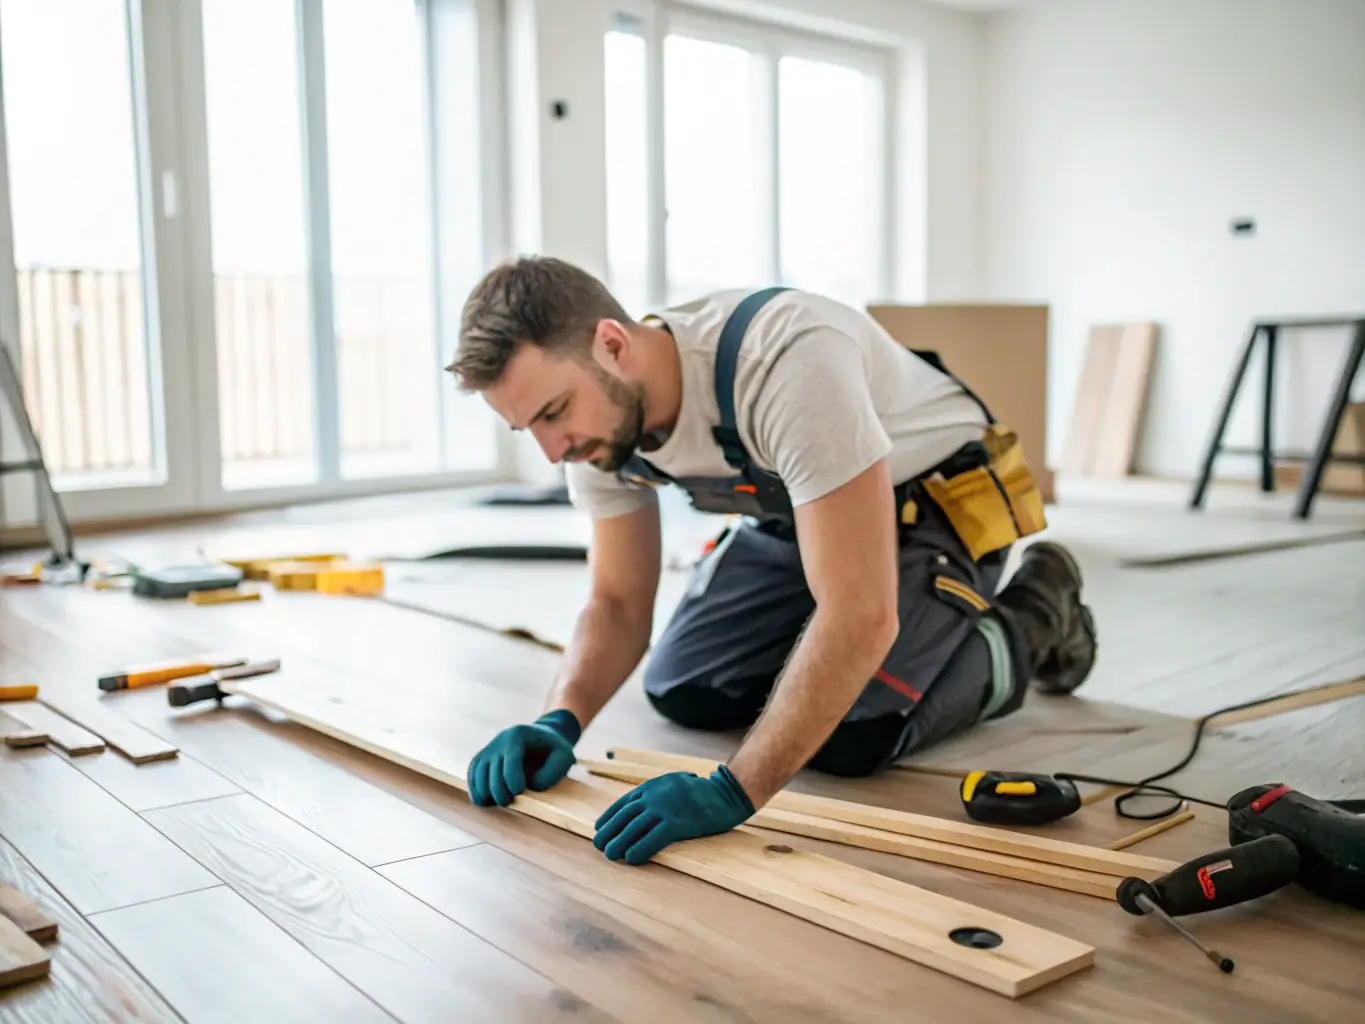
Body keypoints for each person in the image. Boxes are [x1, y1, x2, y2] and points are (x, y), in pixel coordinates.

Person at [447, 255, 1097, 866]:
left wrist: (737, 789)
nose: (552, 450)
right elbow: (616, 602)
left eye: (554, 412)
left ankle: (1038, 610)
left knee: (853, 735)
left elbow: (859, 614)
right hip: (792, 511)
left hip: (933, 501)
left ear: (612, 345)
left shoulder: (784, 359)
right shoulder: (597, 433)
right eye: (527, 426)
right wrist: (559, 719)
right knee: (688, 692)